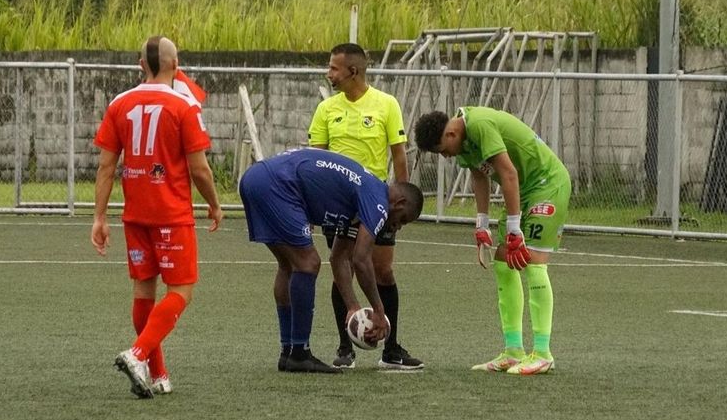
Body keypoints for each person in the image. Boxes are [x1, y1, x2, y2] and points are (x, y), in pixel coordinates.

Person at [91, 35, 223, 398]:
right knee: (181, 291)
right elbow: (200, 169)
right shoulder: (184, 104)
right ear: (174, 65)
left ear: (141, 65)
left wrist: (99, 217)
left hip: (135, 215)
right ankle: (137, 354)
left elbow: (106, 166)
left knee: (143, 292)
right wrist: (213, 202)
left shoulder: (120, 103)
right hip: (172, 213)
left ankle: (158, 373)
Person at [414, 107, 571, 375]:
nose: (446, 156)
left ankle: (543, 353)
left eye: (443, 150)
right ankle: (513, 351)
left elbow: (508, 174)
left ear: (451, 133)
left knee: (532, 260)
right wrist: (482, 224)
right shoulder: (463, 141)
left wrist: (513, 229)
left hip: (547, 184)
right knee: (502, 261)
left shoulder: (479, 126)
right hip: (523, 189)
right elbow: (479, 176)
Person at [238, 148, 424, 373]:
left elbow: (339, 258)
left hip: (257, 179)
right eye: (401, 220)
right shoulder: (378, 202)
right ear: (400, 203)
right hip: (277, 185)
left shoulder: (364, 198)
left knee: (289, 266)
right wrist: (378, 310)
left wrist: (352, 307)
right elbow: (361, 260)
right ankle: (300, 353)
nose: (396, 227)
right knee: (308, 263)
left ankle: (289, 352)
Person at [308, 42, 424, 371]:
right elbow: (316, 159)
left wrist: (402, 204)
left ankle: (391, 347)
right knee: (341, 266)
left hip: (378, 205)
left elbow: (399, 156)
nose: (329, 73)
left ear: (353, 71)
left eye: (333, 68)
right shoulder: (326, 109)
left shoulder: (386, 104)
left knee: (383, 270)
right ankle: (346, 345)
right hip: (339, 204)